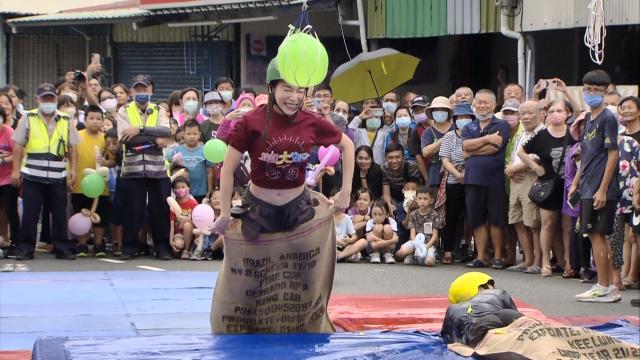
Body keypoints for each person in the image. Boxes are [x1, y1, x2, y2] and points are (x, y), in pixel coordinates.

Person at [210, 58, 354, 334]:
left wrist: (345, 192)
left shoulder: (311, 121)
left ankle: (305, 325)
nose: (295, 97)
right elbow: (227, 170)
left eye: (301, 90)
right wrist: (225, 213)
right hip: (257, 208)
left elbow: (346, 144)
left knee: (304, 274)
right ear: (272, 87)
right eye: (287, 88)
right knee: (250, 277)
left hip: (298, 207)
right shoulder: (252, 121)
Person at [569, 70, 621, 302]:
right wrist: (576, 183)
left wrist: (603, 188)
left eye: (597, 90)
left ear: (605, 91)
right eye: (588, 89)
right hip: (587, 185)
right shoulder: (588, 118)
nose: (592, 94)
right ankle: (606, 285)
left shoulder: (608, 118)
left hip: (601, 188)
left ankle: (605, 286)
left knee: (596, 234)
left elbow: (612, 155)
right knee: (592, 234)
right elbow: (587, 154)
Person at [10, 83, 79, 260]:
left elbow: (73, 148)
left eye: (51, 98)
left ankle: (61, 247)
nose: (48, 101)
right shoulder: (28, 117)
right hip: (33, 174)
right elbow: (18, 146)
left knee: (59, 213)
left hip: (58, 174)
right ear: (38, 99)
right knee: (31, 213)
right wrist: (16, 171)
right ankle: (26, 248)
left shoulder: (65, 119)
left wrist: (73, 171)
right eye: (44, 98)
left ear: (56, 98)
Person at [116, 74, 172, 260]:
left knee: (160, 210)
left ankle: (162, 247)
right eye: (138, 89)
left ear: (151, 91)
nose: (141, 92)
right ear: (131, 91)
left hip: (158, 170)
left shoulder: (159, 110)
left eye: (145, 89)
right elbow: (127, 140)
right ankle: (130, 247)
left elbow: (166, 131)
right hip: (132, 169)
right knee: (133, 209)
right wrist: (154, 140)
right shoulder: (124, 110)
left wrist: (139, 130)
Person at [519, 100, 578, 277]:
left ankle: (569, 262)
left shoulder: (574, 132)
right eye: (551, 111)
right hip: (548, 185)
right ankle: (546, 261)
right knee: (548, 224)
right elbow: (521, 151)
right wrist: (535, 168)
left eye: (559, 110)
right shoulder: (542, 135)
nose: (555, 114)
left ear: (567, 113)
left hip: (570, 186)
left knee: (568, 226)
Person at [462, 89, 510, 269]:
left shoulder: (502, 125)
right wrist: (488, 138)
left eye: (486, 102)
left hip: (494, 180)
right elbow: (465, 146)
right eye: (479, 102)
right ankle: (481, 257)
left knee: (496, 219)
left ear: (494, 104)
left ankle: (498, 256)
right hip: (473, 179)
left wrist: (472, 151)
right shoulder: (469, 127)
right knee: (476, 219)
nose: (482, 106)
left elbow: (495, 149)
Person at [505, 101, 544, 274]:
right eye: (523, 114)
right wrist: (510, 170)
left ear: (540, 113)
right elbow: (514, 156)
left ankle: (538, 261)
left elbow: (537, 158)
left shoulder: (543, 132)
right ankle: (527, 259)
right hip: (515, 180)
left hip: (532, 178)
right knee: (518, 220)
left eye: (530, 113)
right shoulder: (521, 133)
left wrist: (512, 169)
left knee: (534, 223)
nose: (526, 117)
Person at [442, 272, 523, 347]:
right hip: (493, 326)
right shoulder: (498, 292)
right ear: (485, 286)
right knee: (510, 317)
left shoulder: (453, 309)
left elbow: (448, 341)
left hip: (474, 335)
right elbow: (517, 324)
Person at [71, 105, 111, 257]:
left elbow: (112, 159)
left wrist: (105, 162)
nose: (95, 122)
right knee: (81, 212)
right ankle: (81, 243)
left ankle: (99, 244)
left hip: (101, 185)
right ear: (85, 119)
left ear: (102, 121)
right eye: (91, 118)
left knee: (100, 214)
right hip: (80, 183)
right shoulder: (77, 136)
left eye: (98, 119)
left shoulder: (105, 138)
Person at [439, 102, 473, 264]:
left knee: (472, 216)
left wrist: (466, 173)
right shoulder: (449, 136)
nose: (463, 120)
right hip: (453, 180)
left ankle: (469, 248)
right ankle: (448, 250)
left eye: (467, 117)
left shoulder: (476, 135)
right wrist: (458, 174)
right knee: (451, 216)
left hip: (473, 178)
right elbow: (445, 160)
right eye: (460, 117)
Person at [381, 143, 423, 243]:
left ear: (403, 157)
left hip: (411, 195)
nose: (394, 161)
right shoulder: (384, 168)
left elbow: (418, 189)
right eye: (390, 158)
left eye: (397, 157)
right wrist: (389, 205)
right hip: (394, 198)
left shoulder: (413, 167)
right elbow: (386, 194)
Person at [620, 96, 640, 290]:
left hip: (637, 191)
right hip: (622, 191)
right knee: (627, 235)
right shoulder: (620, 136)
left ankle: (633, 275)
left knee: (636, 235)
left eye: (629, 107)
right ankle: (624, 274)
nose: (625, 111)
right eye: (622, 108)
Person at [166, 120, 212, 204]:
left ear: (199, 135)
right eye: (188, 134)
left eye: (195, 134)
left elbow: (209, 172)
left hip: (200, 192)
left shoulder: (205, 150)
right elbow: (168, 169)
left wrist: (209, 190)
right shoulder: (175, 151)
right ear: (183, 135)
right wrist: (174, 163)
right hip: (180, 193)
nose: (192, 137)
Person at [396, 186, 442, 266]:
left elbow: (435, 236)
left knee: (428, 263)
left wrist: (426, 247)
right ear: (416, 199)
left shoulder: (435, 215)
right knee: (400, 253)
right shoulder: (413, 214)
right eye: (419, 198)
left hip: (428, 244)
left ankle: (429, 255)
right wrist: (417, 246)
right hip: (415, 242)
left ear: (431, 200)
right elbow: (412, 234)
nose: (422, 201)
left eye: (425, 199)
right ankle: (412, 255)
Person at [421, 96, 454, 188]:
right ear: (431, 113)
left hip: (454, 175)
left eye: (442, 110)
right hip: (435, 176)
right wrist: (443, 140)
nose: (439, 112)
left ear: (448, 112)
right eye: (436, 110)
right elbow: (425, 152)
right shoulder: (428, 132)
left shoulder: (456, 128)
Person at [348, 98, 390, 165]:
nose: (373, 119)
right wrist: (359, 118)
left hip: (380, 169)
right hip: (361, 167)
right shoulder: (359, 132)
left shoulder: (385, 132)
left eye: (376, 117)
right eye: (370, 117)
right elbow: (350, 131)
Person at [0, 107, 19, 249]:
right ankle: (3, 239)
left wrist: (5, 160)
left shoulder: (10, 132)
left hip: (8, 177)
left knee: (11, 209)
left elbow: (19, 153)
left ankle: (15, 242)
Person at [169, 176, 198, 260]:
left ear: (188, 188)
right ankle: (178, 248)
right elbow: (171, 225)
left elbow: (197, 223)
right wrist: (171, 241)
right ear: (173, 190)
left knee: (187, 225)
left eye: (183, 187)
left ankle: (186, 250)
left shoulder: (193, 203)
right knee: (178, 245)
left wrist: (187, 221)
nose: (180, 189)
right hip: (178, 234)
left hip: (191, 233)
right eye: (177, 187)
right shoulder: (173, 204)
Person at [407, 95, 430, 185]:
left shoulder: (440, 124)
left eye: (422, 109)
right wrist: (427, 179)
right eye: (416, 110)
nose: (419, 112)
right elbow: (419, 157)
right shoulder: (416, 130)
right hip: (429, 171)